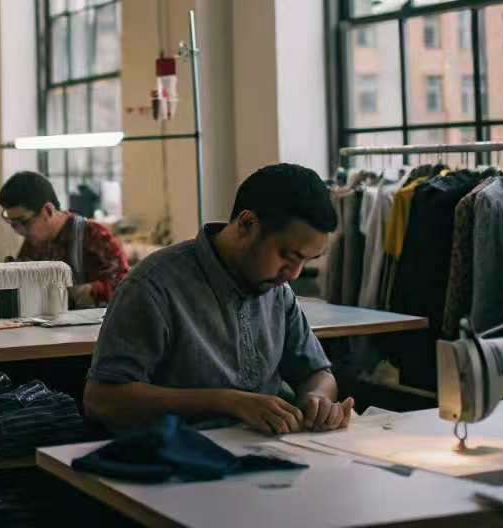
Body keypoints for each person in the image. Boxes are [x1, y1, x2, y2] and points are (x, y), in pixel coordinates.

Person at [83, 163, 355, 435]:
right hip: (182, 458)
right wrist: (228, 402)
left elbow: (318, 373)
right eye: (288, 255)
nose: (293, 274)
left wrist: (318, 398)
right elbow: (102, 399)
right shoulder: (154, 286)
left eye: (307, 260)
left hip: (269, 451)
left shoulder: (278, 291)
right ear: (247, 224)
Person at [0, 171, 129, 309]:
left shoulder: (93, 235)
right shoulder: (33, 243)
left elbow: (124, 287)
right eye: (12, 224)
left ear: (48, 210)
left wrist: (83, 292)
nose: (19, 231)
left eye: (23, 222)